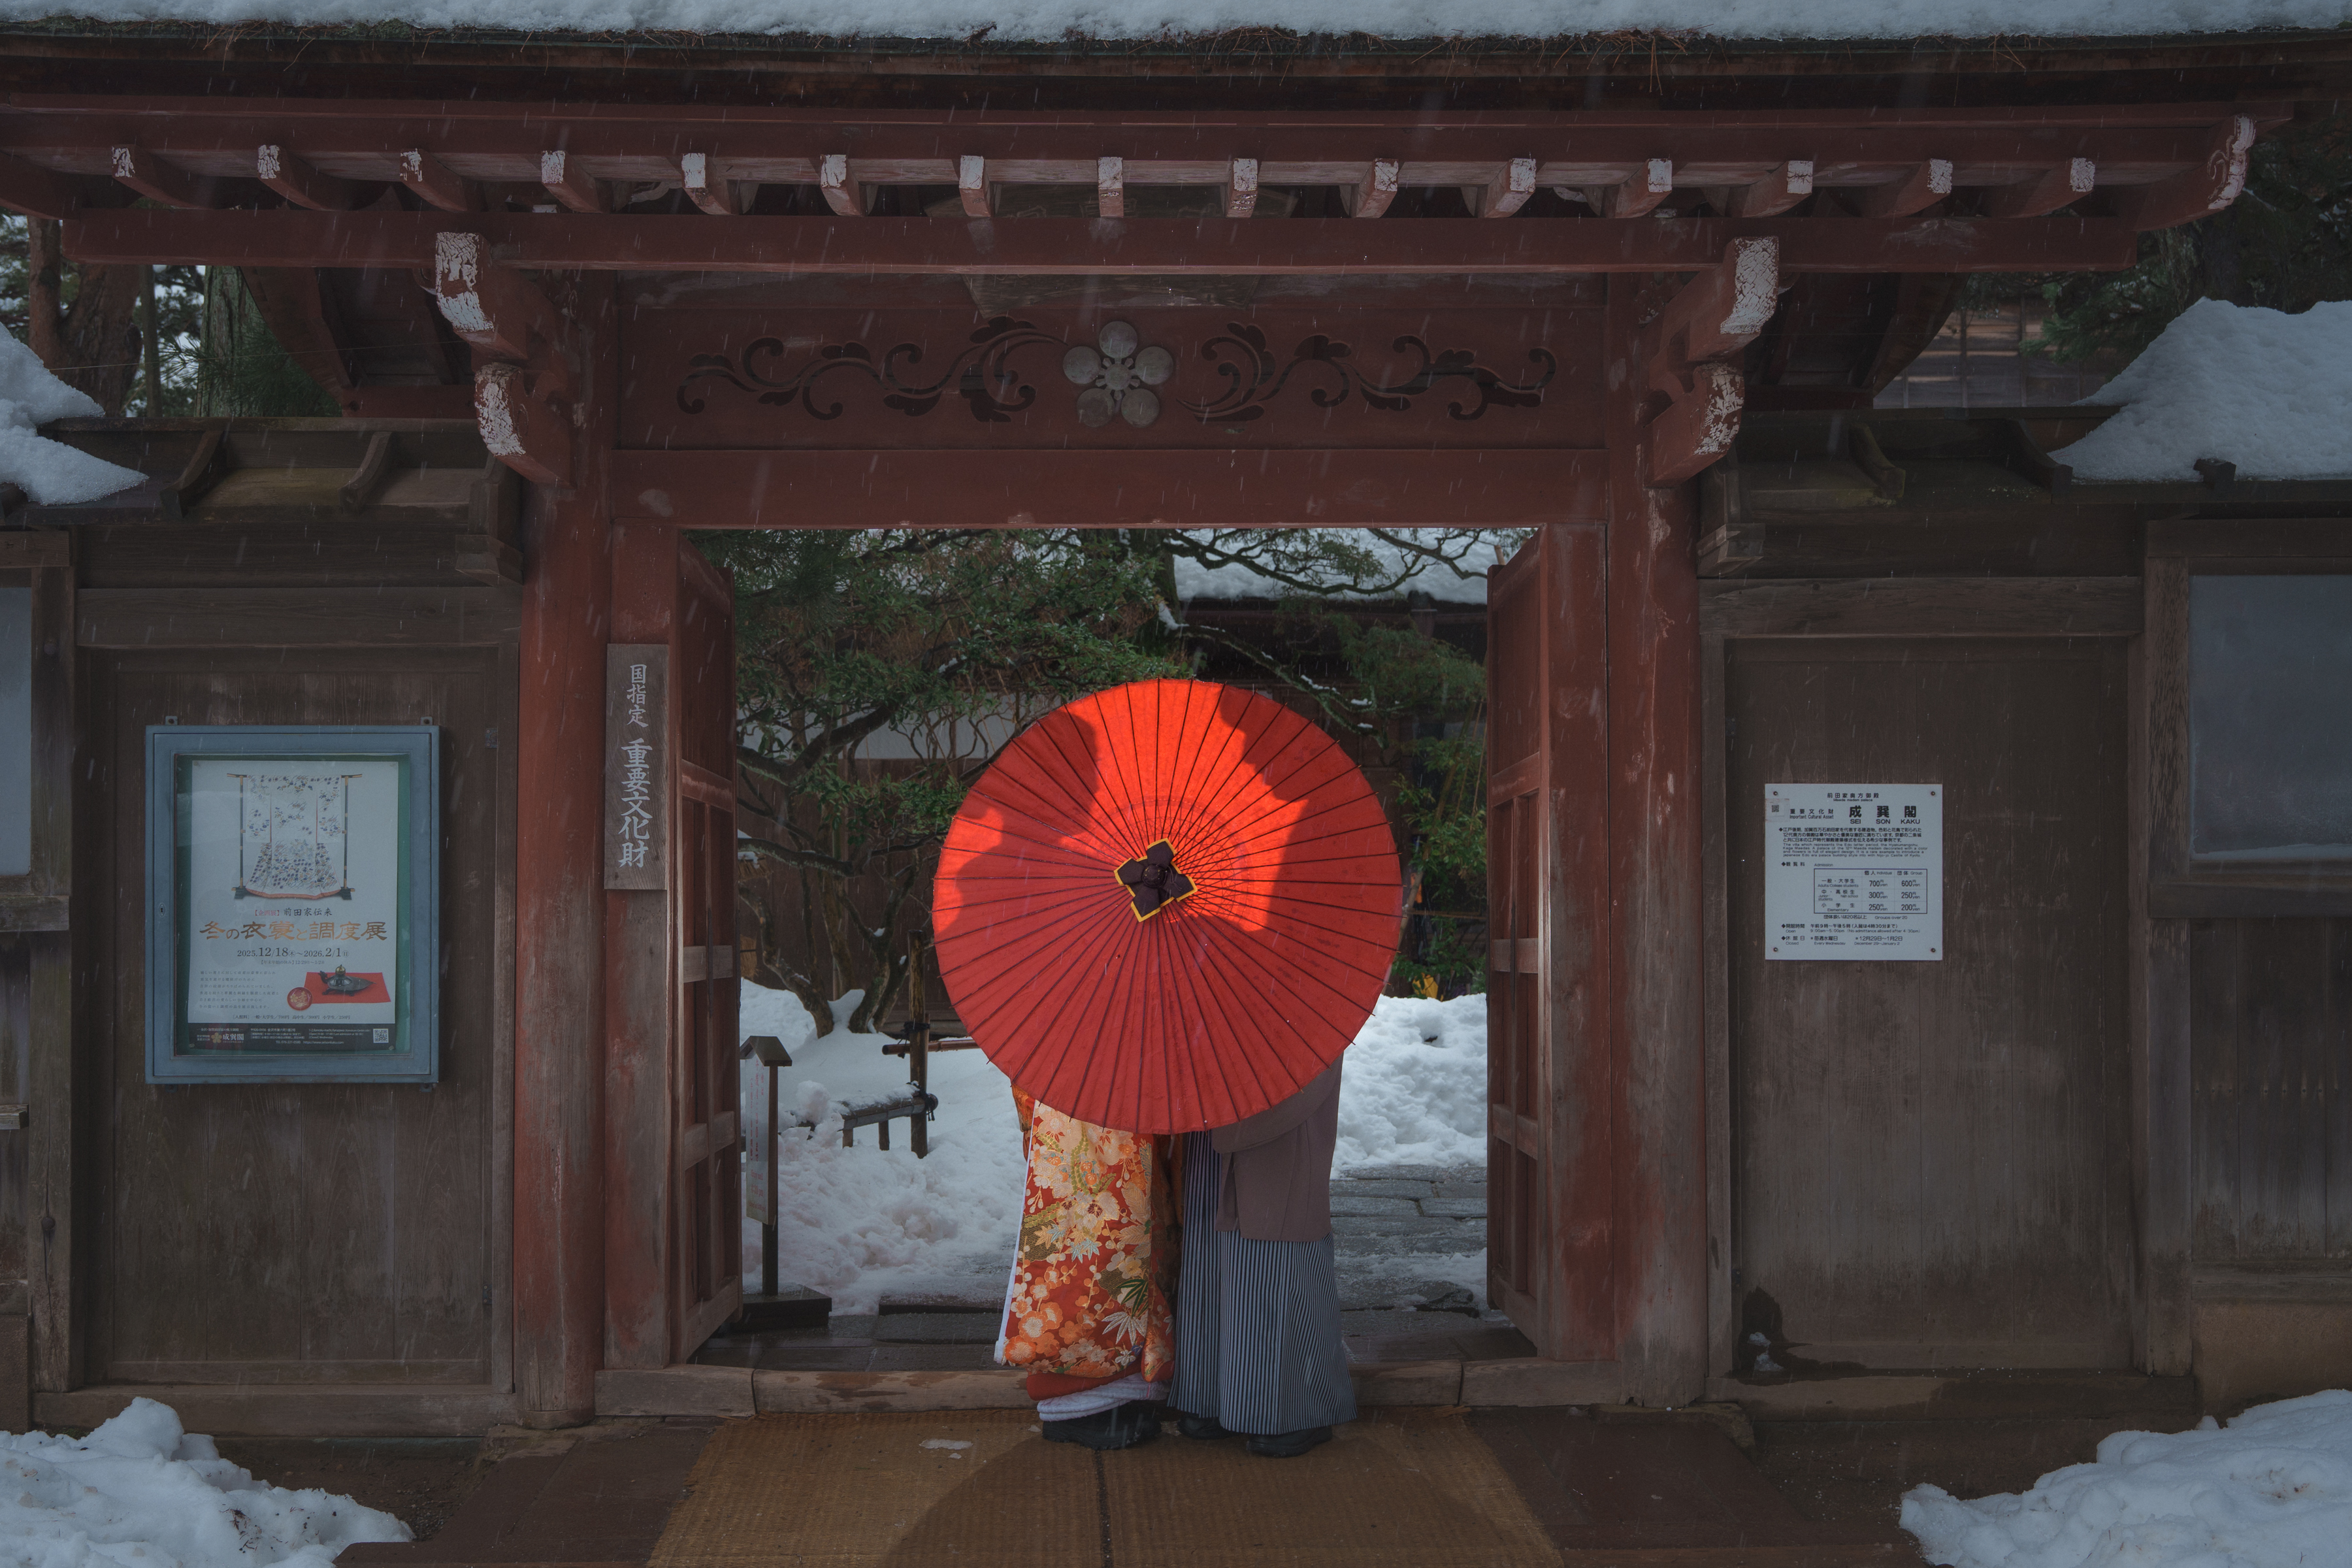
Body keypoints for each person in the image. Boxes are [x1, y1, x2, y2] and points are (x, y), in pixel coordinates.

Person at [1169, 1057, 1354, 1458]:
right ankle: (1283, 1412)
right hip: (1262, 1076)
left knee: (1233, 1248)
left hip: (1222, 1088)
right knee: (1267, 1252)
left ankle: (1211, 1400)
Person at [994, 1088, 1182, 1450]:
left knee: (1133, 1246)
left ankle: (1121, 1390)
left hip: (1128, 1105)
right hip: (1077, 1112)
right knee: (1090, 1254)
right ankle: (1074, 1403)